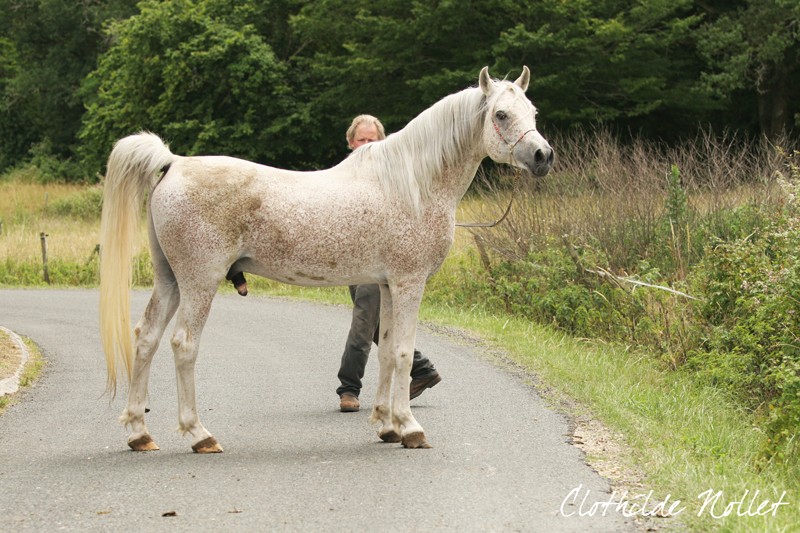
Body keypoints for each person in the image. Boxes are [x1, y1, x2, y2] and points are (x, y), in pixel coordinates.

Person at [337, 115, 442, 413]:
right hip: (352, 261)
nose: (367, 145)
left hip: (379, 261)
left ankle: (349, 388)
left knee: (363, 323)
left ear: (383, 142)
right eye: (362, 139)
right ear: (350, 142)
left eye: (373, 140)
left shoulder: (395, 177)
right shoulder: (342, 174)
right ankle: (422, 369)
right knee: (377, 325)